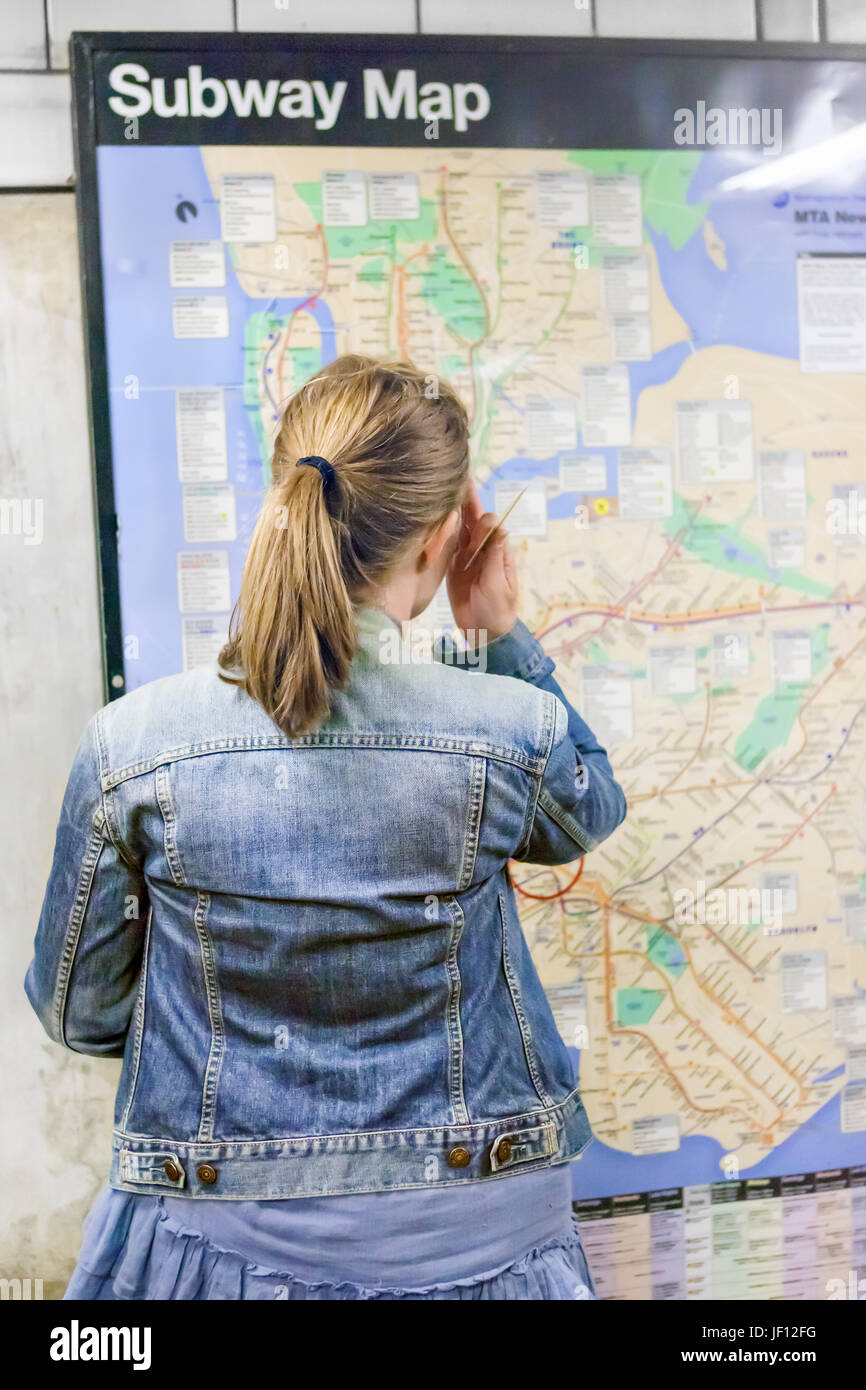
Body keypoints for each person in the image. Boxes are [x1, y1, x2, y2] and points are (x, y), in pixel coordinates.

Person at [26, 355, 627, 1301]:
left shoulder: (131, 745)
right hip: (481, 1237)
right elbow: (589, 810)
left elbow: (79, 1009)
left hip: (219, 1233)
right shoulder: (509, 728)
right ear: (439, 542)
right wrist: (498, 632)